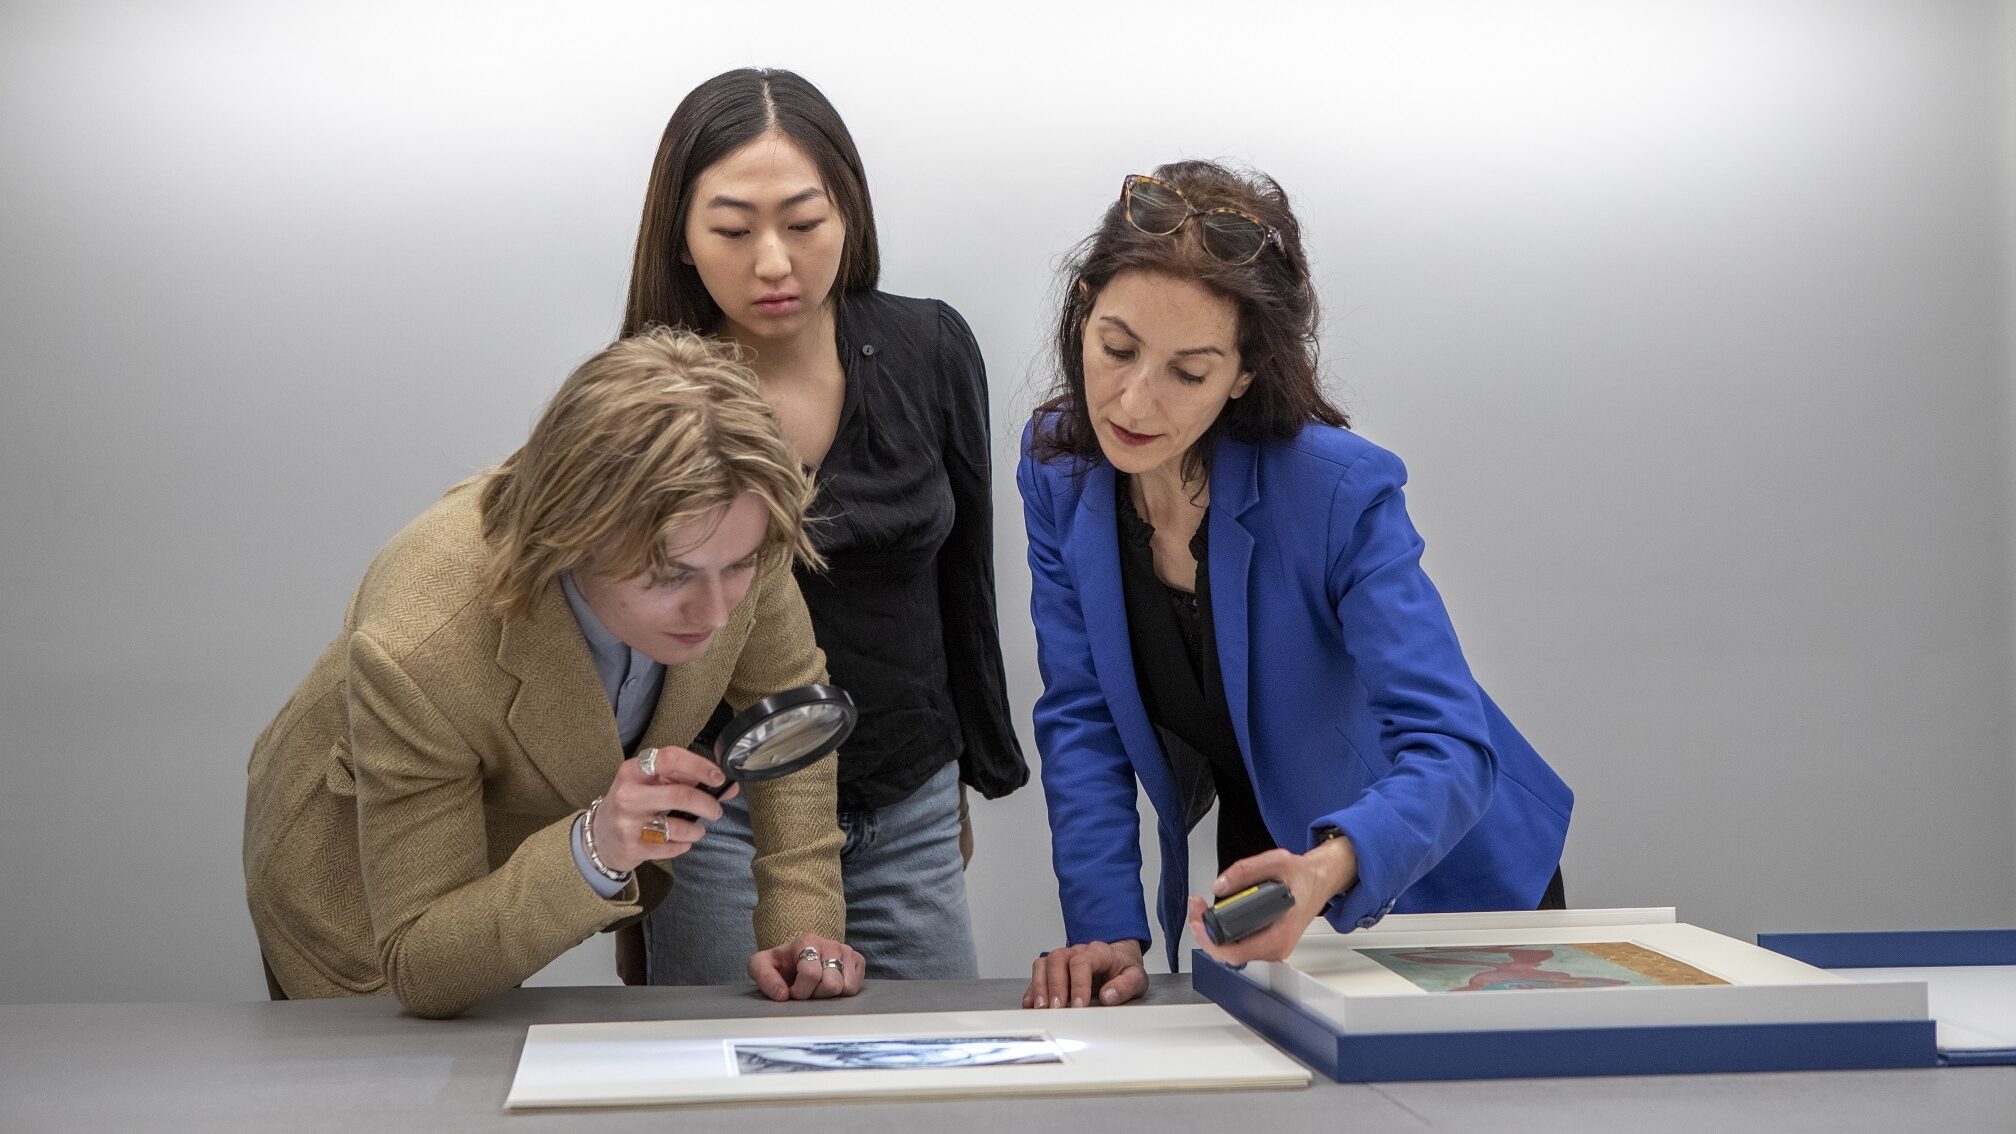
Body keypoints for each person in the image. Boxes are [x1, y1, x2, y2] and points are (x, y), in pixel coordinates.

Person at [1018, 162, 1574, 1010]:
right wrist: (1106, 928)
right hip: (1270, 861)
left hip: (1436, 875)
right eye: (1117, 348)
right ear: (1085, 308)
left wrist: (1325, 869)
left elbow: (1454, 749)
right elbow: (1082, 714)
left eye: (1188, 372)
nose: (1132, 399)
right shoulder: (1060, 467)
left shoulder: (1336, 491)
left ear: (1243, 373)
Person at [243, 328, 864, 1018]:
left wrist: (802, 926)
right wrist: (598, 843)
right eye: (670, 577)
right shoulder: (418, 643)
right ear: (575, 533)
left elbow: (789, 713)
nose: (718, 612)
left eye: (739, 569)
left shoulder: (732, 523)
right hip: (356, 892)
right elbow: (419, 961)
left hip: (523, 861)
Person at [622, 68, 1027, 985]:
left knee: (927, 1080)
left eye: (803, 225)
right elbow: (617, 632)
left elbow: (966, 581)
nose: (773, 262)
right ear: (682, 240)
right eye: (732, 229)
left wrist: (965, 773)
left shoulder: (930, 348)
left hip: (907, 795)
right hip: (717, 814)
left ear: (849, 215)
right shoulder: (645, 390)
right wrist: (634, 865)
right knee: (736, 1087)